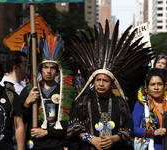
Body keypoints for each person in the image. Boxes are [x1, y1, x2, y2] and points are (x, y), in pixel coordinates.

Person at [66, 20, 154, 150]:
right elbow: (74, 127)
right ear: (93, 82)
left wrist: (114, 138)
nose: (101, 84)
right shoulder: (83, 101)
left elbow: (128, 128)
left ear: (112, 83)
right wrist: (92, 139)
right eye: (98, 80)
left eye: (105, 81)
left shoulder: (120, 102)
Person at [23, 32, 75, 150]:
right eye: (45, 67)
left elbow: (70, 124)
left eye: (52, 68)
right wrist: (27, 103)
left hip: (58, 144)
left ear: (57, 71)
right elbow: (20, 120)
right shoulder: (30, 90)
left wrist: (47, 132)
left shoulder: (66, 92)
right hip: (35, 145)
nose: (49, 71)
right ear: (40, 69)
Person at [132, 68, 167, 150]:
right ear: (147, 87)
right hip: (151, 146)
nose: (156, 88)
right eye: (152, 84)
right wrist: (153, 132)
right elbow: (134, 129)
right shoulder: (142, 104)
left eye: (159, 84)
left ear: (165, 86)